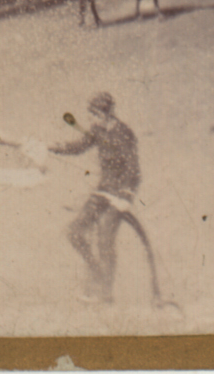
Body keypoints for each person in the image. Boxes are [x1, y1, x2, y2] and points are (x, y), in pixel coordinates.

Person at [45, 92, 140, 304]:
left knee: (104, 241)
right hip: (102, 191)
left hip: (118, 195)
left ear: (108, 114)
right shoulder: (97, 130)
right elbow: (79, 146)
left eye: (96, 115)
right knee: (74, 232)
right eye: (92, 114)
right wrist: (52, 147)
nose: (92, 119)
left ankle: (105, 295)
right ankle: (97, 273)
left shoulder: (124, 133)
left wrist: (125, 197)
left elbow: (133, 169)